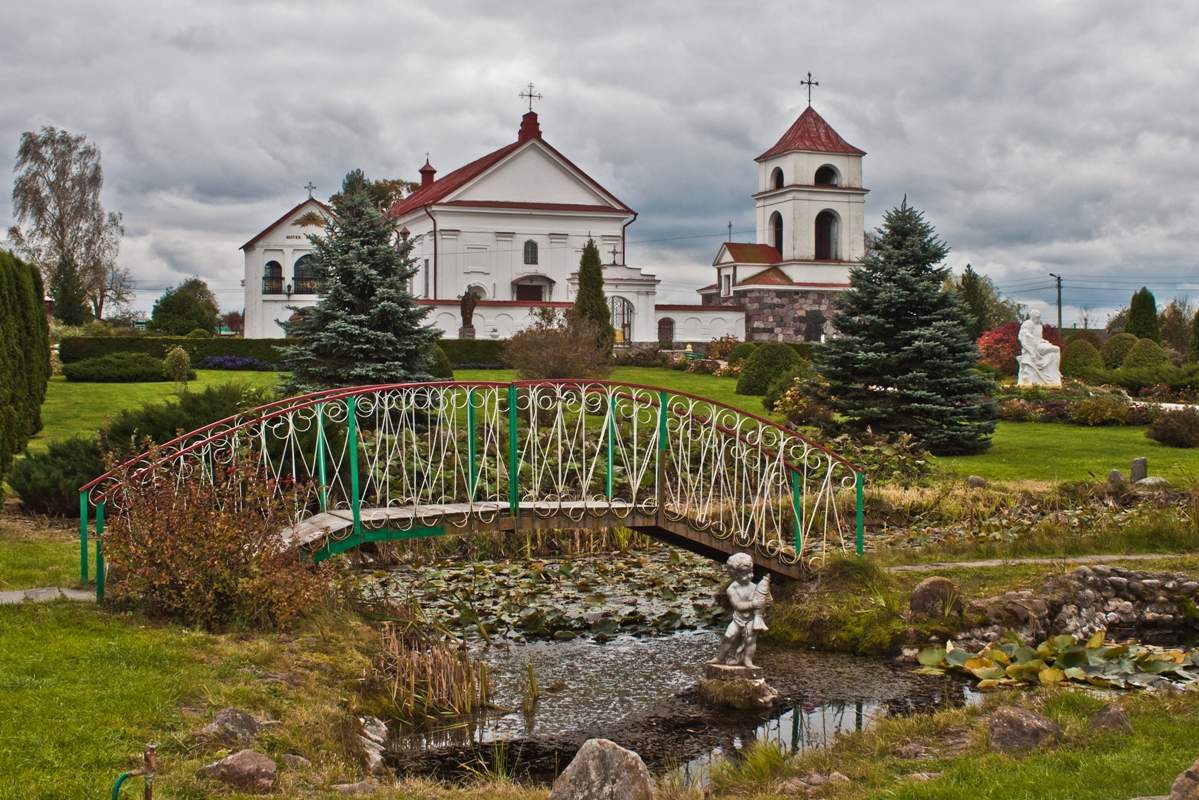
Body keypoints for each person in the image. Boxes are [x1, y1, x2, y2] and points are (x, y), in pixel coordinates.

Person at [710, 552, 772, 669]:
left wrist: (767, 599)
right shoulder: (732, 589)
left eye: (751, 572)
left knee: (750, 640)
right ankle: (719, 657)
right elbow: (737, 605)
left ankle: (748, 660)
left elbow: (764, 601)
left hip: (751, 619)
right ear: (735, 574)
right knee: (728, 636)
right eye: (745, 573)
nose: (749, 576)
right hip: (738, 619)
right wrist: (753, 604)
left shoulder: (754, 587)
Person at [1017, 309, 1062, 386]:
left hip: (1040, 344)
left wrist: (1045, 341)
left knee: (1056, 349)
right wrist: (1031, 352)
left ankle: (1054, 372)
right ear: (1032, 316)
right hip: (1034, 347)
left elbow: (1039, 338)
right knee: (1056, 349)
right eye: (1037, 317)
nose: (1038, 319)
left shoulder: (1040, 326)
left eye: (1039, 317)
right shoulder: (1028, 324)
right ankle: (1054, 373)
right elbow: (1023, 338)